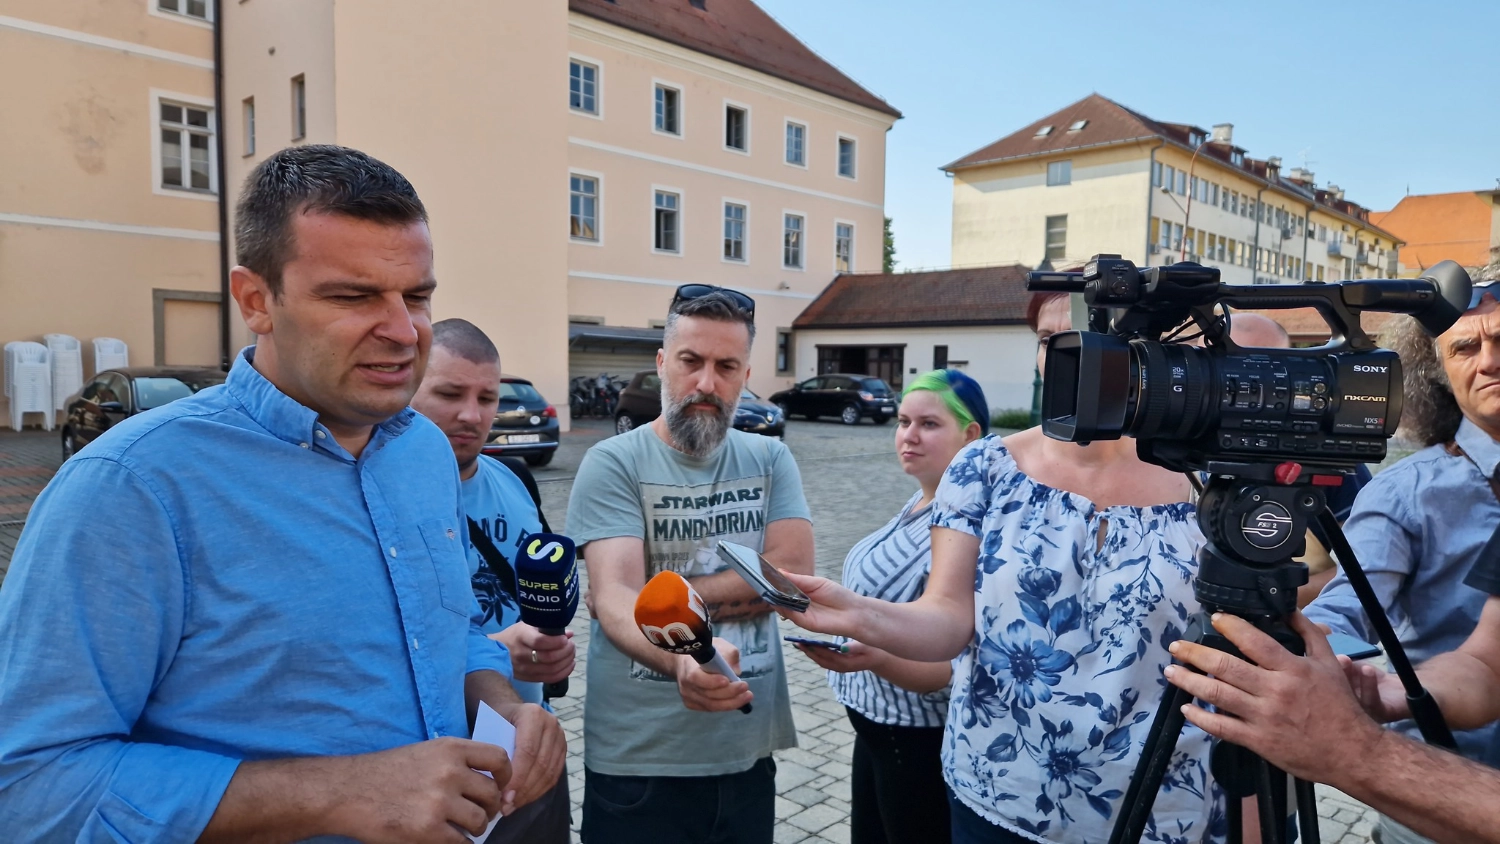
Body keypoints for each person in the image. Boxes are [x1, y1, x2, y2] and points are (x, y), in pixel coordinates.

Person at [0, 145, 565, 842]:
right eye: (353, 296)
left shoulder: (422, 450)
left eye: (417, 296)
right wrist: (336, 793)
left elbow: (451, 633)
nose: (404, 331)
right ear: (255, 301)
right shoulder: (131, 487)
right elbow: (31, 786)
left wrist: (500, 702)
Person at [782, 290, 1224, 843]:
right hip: (997, 793)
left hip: (1163, 806)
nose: (1066, 355)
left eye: (1089, 336)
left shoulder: (1208, 479)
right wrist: (857, 614)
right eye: (1048, 340)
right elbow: (947, 619)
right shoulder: (985, 466)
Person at [565, 285, 814, 844]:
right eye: (690, 361)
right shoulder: (614, 462)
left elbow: (792, 578)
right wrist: (682, 661)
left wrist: (664, 597)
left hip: (746, 751)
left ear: (746, 375)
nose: (706, 383)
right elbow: (615, 598)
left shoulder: (770, 458)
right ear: (662, 364)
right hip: (641, 761)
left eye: (726, 367)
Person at [1299, 284, 1500, 842]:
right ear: (1437, 373)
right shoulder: (1405, 490)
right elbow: (1351, 600)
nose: (1489, 361)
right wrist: (1319, 658)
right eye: (1464, 348)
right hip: (1440, 792)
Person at [794, 369, 989, 844]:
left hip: (916, 741)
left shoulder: (972, 528)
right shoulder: (926, 499)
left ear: (971, 435)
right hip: (877, 729)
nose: (908, 436)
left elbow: (953, 667)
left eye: (928, 424)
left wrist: (877, 657)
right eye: (903, 422)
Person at [410, 317, 575, 844]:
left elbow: (539, 591)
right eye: (450, 394)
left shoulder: (515, 477)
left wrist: (553, 649)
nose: (472, 414)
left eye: (487, 398)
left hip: (531, 748)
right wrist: (502, 649)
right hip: (446, 774)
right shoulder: (388, 498)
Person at [1220, 311, 1371, 607]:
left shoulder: (1326, 455)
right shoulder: (1166, 454)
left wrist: (1267, 602)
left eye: (1268, 370)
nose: (1249, 387)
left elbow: (1367, 568)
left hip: (1298, 623)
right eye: (1233, 368)